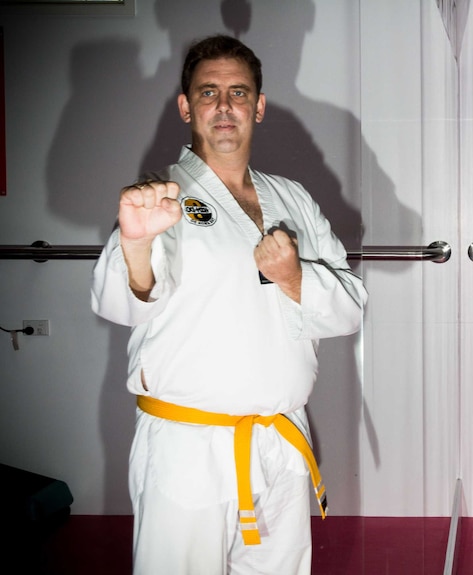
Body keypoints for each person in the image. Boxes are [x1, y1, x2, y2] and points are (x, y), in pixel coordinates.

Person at [91, 34, 367, 574]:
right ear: (186, 106)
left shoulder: (294, 198)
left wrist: (293, 277)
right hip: (187, 447)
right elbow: (127, 302)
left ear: (258, 107)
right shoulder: (160, 197)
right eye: (209, 92)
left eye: (239, 93)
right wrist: (137, 243)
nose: (224, 106)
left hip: (279, 440)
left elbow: (350, 309)